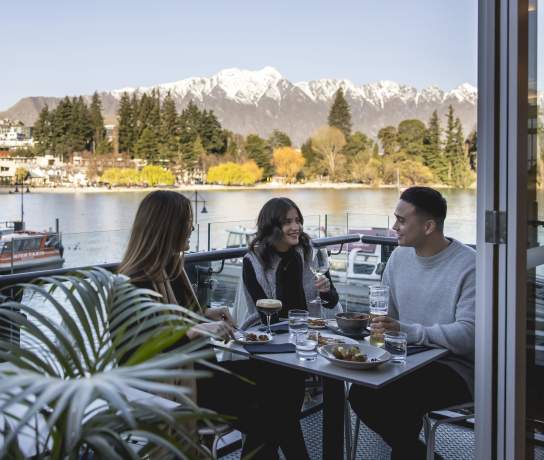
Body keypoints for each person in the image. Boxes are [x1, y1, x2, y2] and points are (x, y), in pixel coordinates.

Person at [118, 190, 309, 460]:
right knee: (274, 410)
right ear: (167, 227)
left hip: (200, 368)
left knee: (282, 384)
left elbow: (182, 316)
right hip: (178, 383)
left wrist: (207, 314)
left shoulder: (172, 271)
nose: (192, 227)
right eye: (186, 222)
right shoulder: (133, 283)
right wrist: (193, 331)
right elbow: (134, 351)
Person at [349, 186, 475, 460]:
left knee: (397, 398)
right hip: (404, 359)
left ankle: (408, 454)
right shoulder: (399, 257)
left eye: (402, 220)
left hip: (455, 367)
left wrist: (407, 330)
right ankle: (416, 454)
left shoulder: (469, 265)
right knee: (360, 393)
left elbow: (469, 335)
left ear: (428, 226)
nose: (394, 227)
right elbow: (386, 319)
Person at [242, 197, 340, 323]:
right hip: (269, 332)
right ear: (272, 227)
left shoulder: (311, 251)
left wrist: (326, 291)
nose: (296, 227)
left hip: (312, 329)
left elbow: (332, 302)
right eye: (287, 222)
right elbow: (265, 316)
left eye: (297, 220)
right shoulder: (253, 260)